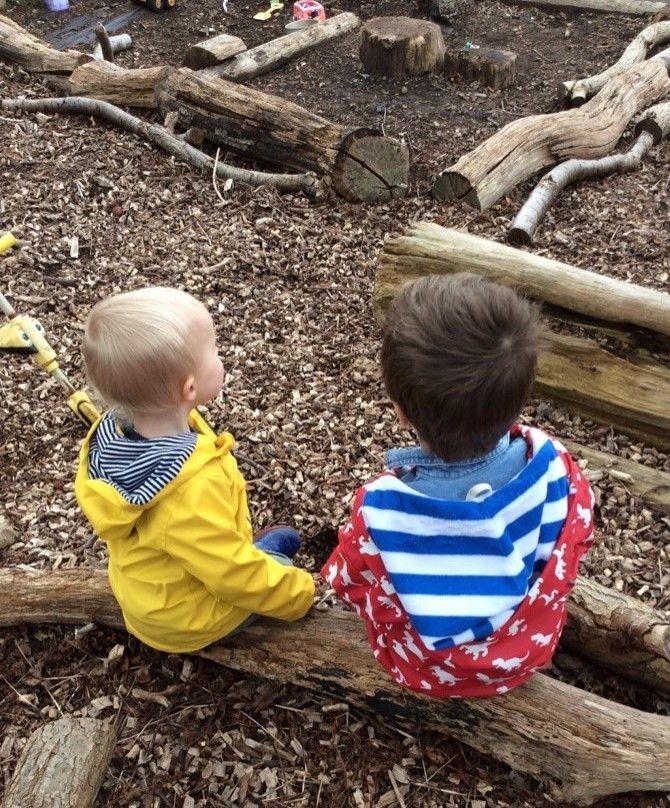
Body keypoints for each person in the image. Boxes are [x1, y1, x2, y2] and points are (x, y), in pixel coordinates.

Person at [322, 274, 594, 697]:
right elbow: (576, 537)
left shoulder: (383, 507)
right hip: (528, 651)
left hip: (426, 670)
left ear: (400, 412)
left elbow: (354, 585)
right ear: (520, 396)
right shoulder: (555, 464)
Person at [75, 286, 314, 653]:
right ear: (188, 387)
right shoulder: (188, 490)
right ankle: (269, 558)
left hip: (149, 592)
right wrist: (300, 594)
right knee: (267, 570)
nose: (220, 355)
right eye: (213, 349)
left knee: (214, 550)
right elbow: (231, 576)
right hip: (186, 620)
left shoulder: (111, 438)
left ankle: (257, 553)